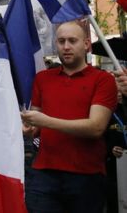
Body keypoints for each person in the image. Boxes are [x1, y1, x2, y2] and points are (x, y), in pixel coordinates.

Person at [22, 20, 118, 213]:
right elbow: (36, 124)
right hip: (43, 173)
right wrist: (30, 128)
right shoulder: (43, 78)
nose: (66, 46)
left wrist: (45, 122)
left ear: (86, 44)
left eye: (72, 40)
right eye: (61, 41)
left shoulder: (104, 80)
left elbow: (96, 128)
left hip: (86, 175)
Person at [106, 68, 126, 213]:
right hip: (114, 167)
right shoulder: (107, 112)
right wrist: (110, 149)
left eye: (121, 92)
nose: (119, 95)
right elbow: (100, 136)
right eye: (116, 92)